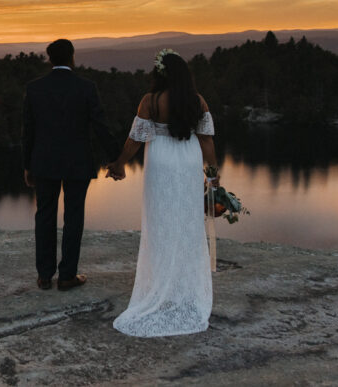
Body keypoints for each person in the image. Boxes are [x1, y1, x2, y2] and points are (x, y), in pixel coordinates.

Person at [105, 49, 217, 336]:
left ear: (159, 73)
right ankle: (185, 289)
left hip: (161, 161)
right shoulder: (198, 100)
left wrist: (119, 164)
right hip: (188, 159)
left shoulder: (150, 101)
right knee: (188, 223)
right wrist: (213, 175)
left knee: (160, 222)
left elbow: (135, 139)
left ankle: (160, 287)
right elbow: (206, 140)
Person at [22, 38, 122, 291]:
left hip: (43, 163)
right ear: (72, 58)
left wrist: (27, 166)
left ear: (50, 59)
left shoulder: (35, 88)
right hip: (77, 162)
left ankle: (44, 276)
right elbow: (100, 125)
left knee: (44, 216)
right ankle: (67, 276)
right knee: (73, 217)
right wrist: (116, 158)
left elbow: (28, 131)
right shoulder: (86, 87)